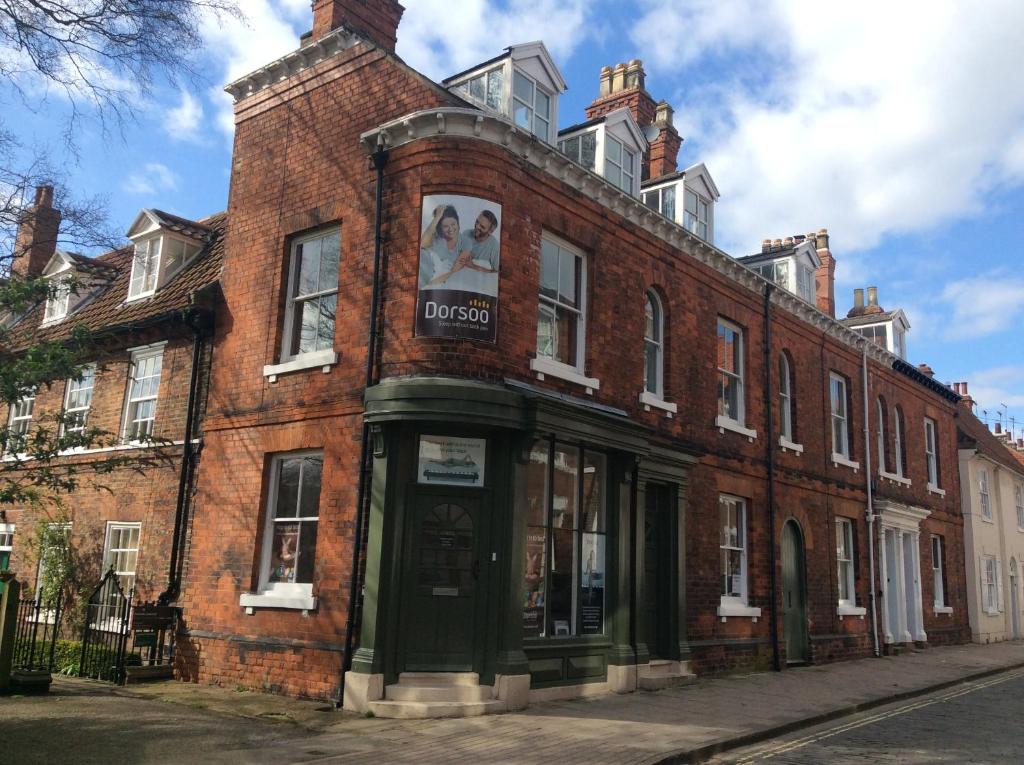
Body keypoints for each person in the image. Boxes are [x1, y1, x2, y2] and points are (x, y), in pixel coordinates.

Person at [419, 204, 462, 289]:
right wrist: (437, 217)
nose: (450, 229)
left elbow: (455, 271)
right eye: (445, 226)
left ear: (458, 223)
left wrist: (430, 285)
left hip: (440, 284)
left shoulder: (463, 241)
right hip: (428, 281)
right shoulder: (437, 238)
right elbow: (422, 245)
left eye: (453, 224)